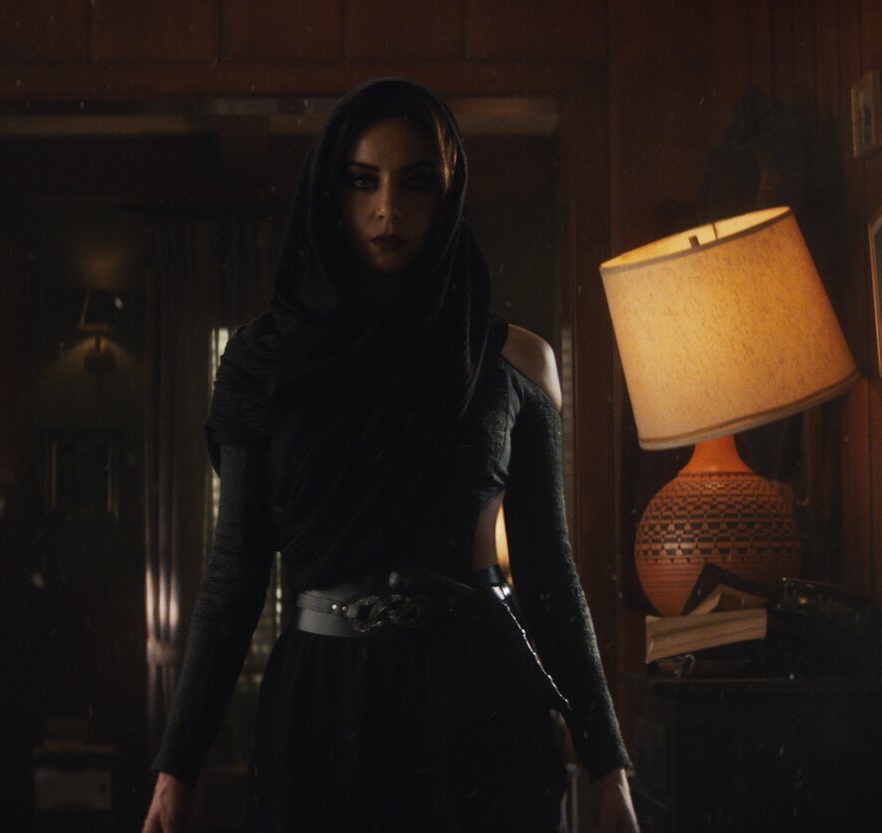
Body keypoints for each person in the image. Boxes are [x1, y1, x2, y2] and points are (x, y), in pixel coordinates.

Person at [142, 77, 641, 833]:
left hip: (476, 715)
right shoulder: (264, 364)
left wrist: (609, 768)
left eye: (415, 183)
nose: (388, 208)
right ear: (330, 192)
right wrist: (176, 769)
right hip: (319, 713)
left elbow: (551, 579)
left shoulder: (513, 363)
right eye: (362, 181)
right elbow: (233, 577)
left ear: (448, 193)